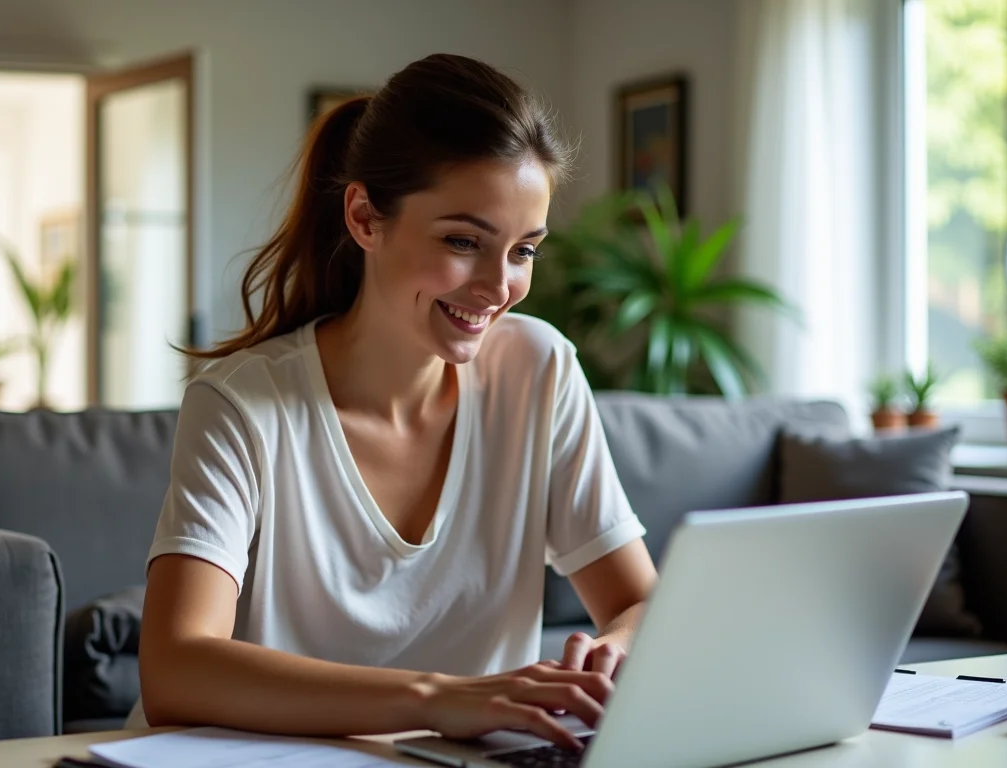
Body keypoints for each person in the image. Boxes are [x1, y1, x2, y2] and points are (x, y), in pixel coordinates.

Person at [128, 53, 656, 751]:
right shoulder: (243, 405)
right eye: (463, 241)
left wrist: (613, 654)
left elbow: (638, 602)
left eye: (524, 251)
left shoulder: (539, 369)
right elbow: (176, 670)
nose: (499, 286)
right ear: (364, 218)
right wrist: (436, 698)